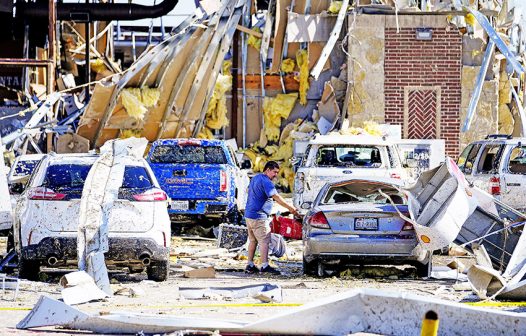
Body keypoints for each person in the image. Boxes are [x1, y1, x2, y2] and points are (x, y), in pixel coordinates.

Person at [244, 161, 299, 275]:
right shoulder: (266, 181)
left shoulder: (256, 177)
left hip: (249, 215)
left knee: (253, 241)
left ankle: (250, 265)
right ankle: (264, 265)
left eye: (277, 172)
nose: (275, 175)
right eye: (274, 172)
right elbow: (277, 197)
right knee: (265, 241)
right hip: (259, 216)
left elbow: (248, 190)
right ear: (267, 170)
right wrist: (291, 209)